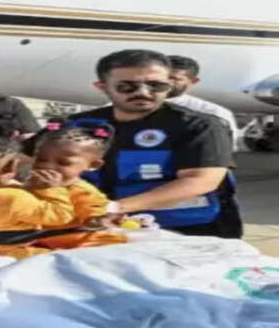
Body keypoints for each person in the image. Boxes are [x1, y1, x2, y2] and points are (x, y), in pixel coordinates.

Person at [71, 49, 242, 238]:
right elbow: (45, 164)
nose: (143, 92)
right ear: (102, 87)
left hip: (188, 232)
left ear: (169, 85)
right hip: (96, 229)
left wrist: (115, 208)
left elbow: (201, 180)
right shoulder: (77, 124)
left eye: (156, 85)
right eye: (127, 87)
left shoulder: (199, 126)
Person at [29, 119, 127, 249]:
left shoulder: (84, 192)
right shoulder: (31, 183)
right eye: (41, 159)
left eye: (64, 163)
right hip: (38, 242)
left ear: (93, 165)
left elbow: (94, 215)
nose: (47, 166)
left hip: (78, 244)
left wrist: (101, 220)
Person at [167, 55, 241, 151]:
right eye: (162, 77)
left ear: (193, 81)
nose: (166, 82)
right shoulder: (147, 107)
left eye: (174, 79)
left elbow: (223, 151)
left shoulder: (214, 113)